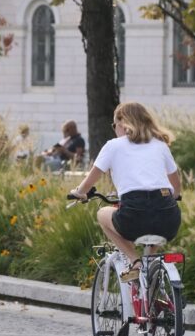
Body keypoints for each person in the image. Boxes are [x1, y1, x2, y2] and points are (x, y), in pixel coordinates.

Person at [69, 102, 182, 282]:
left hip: (133, 214)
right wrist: (173, 196)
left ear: (122, 123)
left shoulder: (113, 146)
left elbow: (89, 181)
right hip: (169, 217)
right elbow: (176, 187)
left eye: (114, 125)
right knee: (159, 225)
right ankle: (148, 267)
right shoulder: (160, 145)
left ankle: (135, 261)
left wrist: (79, 192)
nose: (115, 129)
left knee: (102, 214)